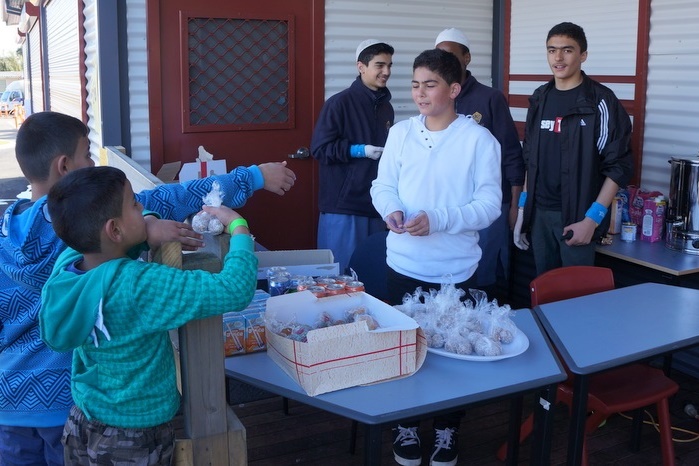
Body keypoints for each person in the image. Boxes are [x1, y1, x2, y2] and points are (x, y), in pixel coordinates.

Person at [0, 111, 295, 466]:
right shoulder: (132, 283)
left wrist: (144, 229)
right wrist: (249, 190)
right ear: (65, 166)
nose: (143, 207)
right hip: (95, 415)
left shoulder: (59, 251)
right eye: (88, 155)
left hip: (23, 405)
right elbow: (175, 200)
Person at [39, 165, 258, 465]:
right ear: (114, 230)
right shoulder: (138, 285)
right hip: (133, 435)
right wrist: (239, 229)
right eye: (135, 204)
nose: (143, 207)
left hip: (83, 419)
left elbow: (111, 256)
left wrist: (147, 227)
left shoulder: (67, 267)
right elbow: (234, 289)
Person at [371, 48, 501, 466]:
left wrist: (440, 219)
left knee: (450, 354)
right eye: (415, 84)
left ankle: (447, 428)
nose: (420, 93)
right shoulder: (401, 133)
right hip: (403, 266)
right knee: (404, 348)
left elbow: (489, 205)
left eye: (431, 85)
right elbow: (383, 185)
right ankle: (405, 424)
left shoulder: (479, 140)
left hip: (455, 271)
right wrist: (389, 209)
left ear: (454, 89)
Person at [512, 22, 633, 275]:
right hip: (540, 216)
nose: (558, 57)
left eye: (567, 50)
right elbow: (530, 159)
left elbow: (618, 165)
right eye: (551, 50)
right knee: (544, 293)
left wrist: (593, 219)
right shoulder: (540, 97)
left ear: (583, 55)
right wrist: (524, 209)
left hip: (578, 217)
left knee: (575, 301)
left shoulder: (600, 101)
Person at [435, 28, 524, 300]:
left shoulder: (490, 98)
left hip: (487, 202)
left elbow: (510, 152)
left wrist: (514, 205)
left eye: (450, 55)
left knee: (484, 270)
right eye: (439, 56)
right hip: (449, 202)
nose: (444, 62)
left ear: (467, 58)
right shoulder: (437, 95)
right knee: (453, 270)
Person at [311, 39, 395, 274]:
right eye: (379, 65)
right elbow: (320, 148)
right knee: (341, 276)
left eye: (389, 65)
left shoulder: (386, 107)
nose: (386, 72)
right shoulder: (339, 103)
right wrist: (359, 150)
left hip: (375, 203)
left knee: (373, 273)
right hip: (343, 207)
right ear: (361, 67)